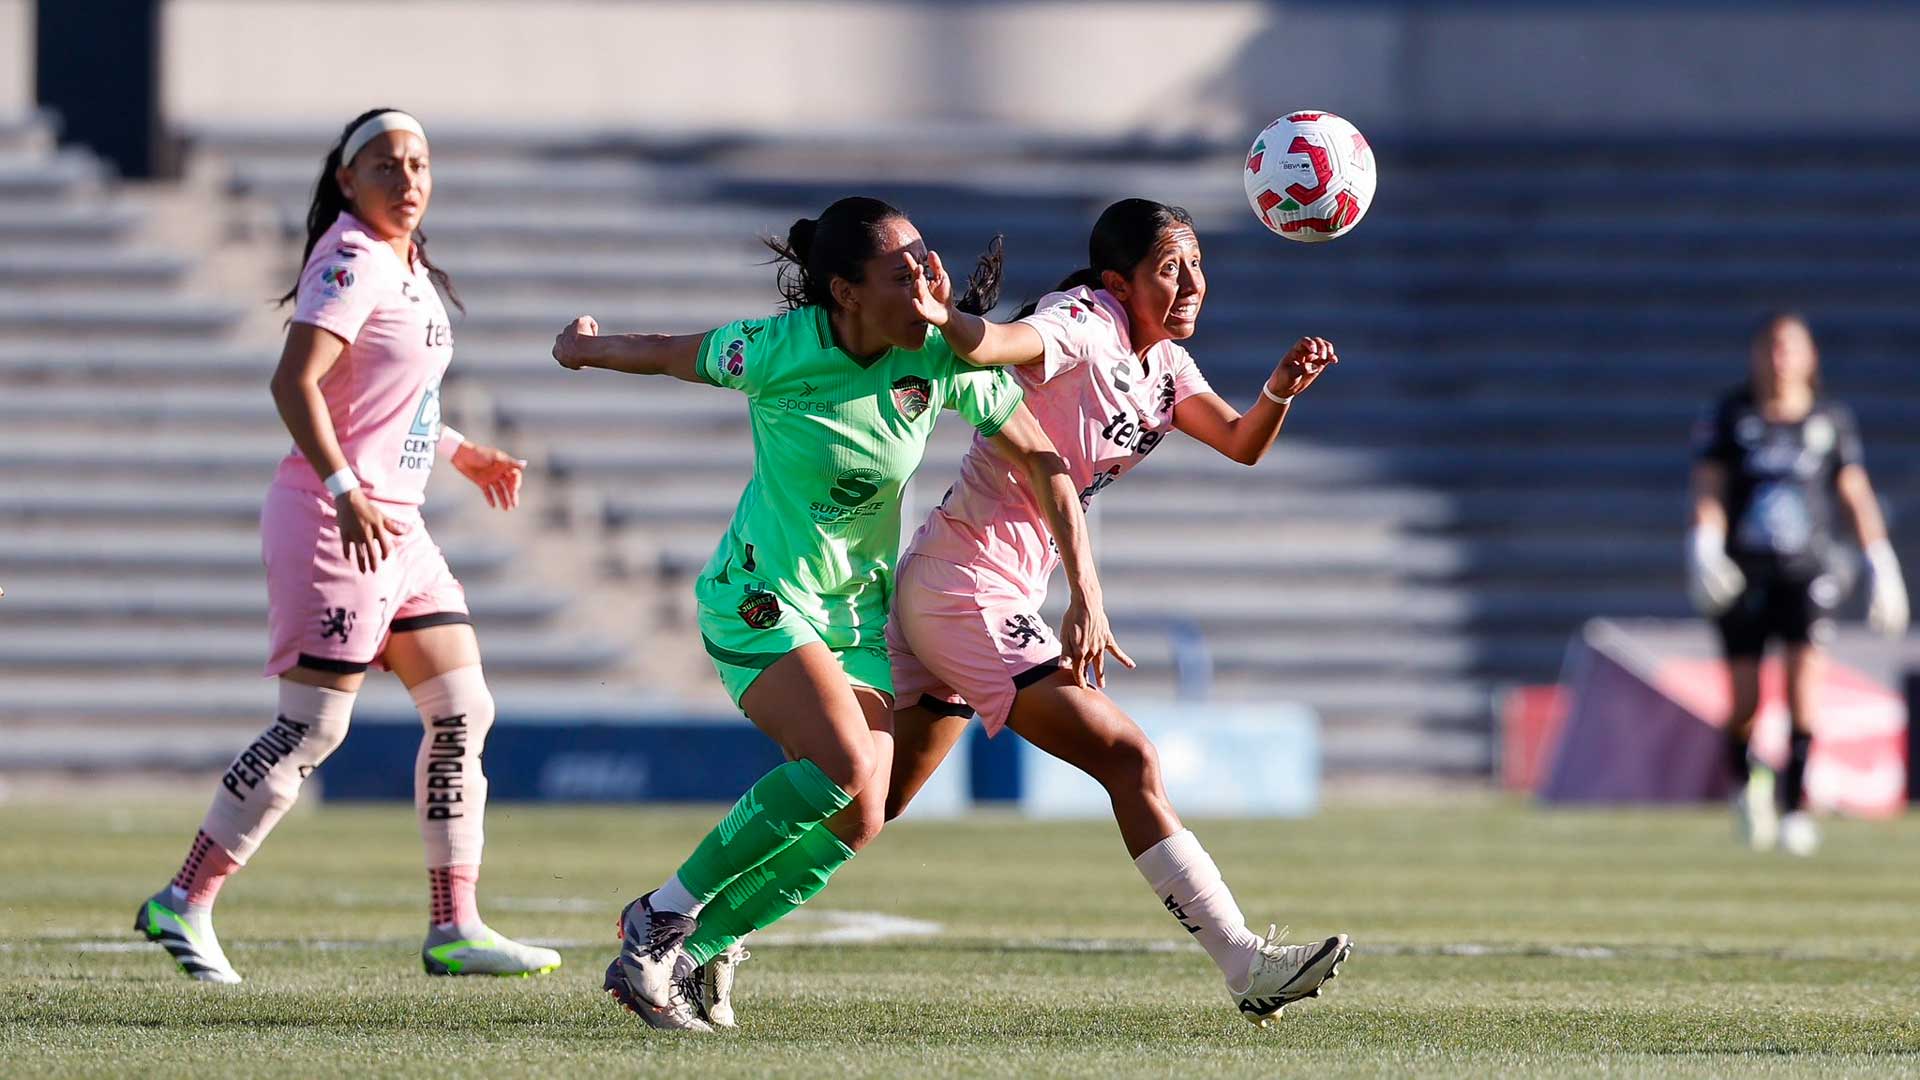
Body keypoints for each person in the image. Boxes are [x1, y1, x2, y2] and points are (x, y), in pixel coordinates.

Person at [551, 196, 1122, 1032]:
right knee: (844, 765)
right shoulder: (783, 349)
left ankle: (699, 949)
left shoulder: (940, 355)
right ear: (847, 293)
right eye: (904, 271)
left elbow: (1042, 460)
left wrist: (1086, 592)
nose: (929, 280)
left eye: (928, 260)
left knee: (863, 813)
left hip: (854, 617)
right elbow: (671, 354)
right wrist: (583, 348)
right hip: (761, 598)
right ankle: (657, 918)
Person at [877, 197, 1351, 1026]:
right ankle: (1244, 962)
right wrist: (940, 316)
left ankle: (685, 920)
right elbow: (998, 343)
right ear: (1115, 282)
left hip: (974, 585)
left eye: (1197, 265)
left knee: (861, 802)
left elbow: (1241, 442)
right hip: (967, 586)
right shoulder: (1085, 323)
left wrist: (1279, 390)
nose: (1192, 283)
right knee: (1129, 757)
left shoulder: (1162, 362)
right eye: (1170, 268)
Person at [136, 108, 559, 982]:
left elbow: (385, 393)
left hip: (398, 523)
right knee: (312, 728)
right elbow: (294, 382)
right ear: (346, 179)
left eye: (419, 163)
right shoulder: (353, 257)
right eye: (386, 165)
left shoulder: (406, 266)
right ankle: (184, 898)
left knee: (461, 709)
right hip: (338, 520)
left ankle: (456, 926)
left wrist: (457, 450)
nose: (408, 179)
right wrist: (345, 489)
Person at [1689, 311, 1909, 856]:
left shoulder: (1829, 419)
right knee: (1743, 703)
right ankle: (1752, 787)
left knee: (1802, 695)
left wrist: (1881, 561)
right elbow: (1710, 487)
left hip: (1806, 572)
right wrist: (1704, 545)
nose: (1779, 359)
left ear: (1810, 357)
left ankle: (1795, 810)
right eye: (1770, 347)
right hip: (1743, 572)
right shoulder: (1731, 415)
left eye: (1790, 348)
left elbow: (1853, 493)